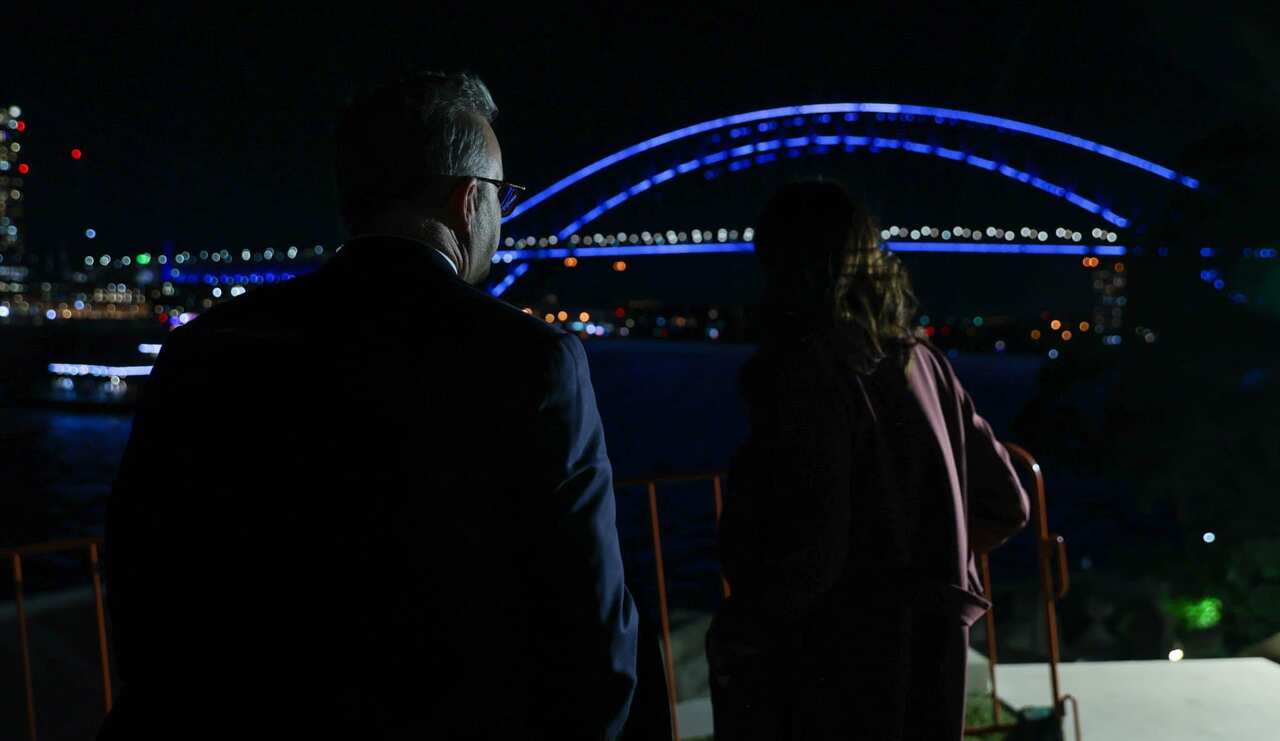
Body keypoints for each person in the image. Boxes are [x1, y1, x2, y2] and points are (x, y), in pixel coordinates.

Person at [99, 71, 639, 739]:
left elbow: (137, 565)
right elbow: (591, 629)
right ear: (469, 200)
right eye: (504, 195)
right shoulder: (533, 361)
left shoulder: (208, 343)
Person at [707, 181, 1030, 740]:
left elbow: (814, 545)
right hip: (932, 653)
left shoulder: (800, 375)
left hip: (829, 664)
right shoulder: (926, 363)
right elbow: (1009, 504)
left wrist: (743, 631)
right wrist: (932, 558)